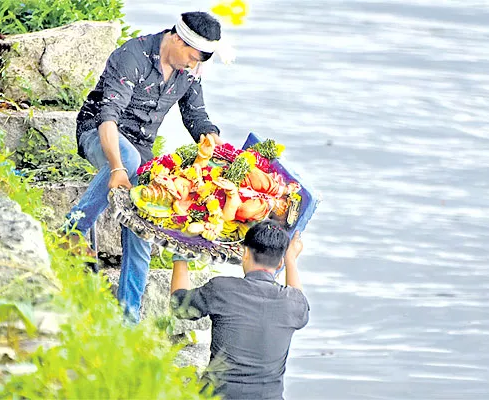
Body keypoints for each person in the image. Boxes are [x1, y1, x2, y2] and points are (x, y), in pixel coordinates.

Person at [64, 11, 226, 323]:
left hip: (140, 151)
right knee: (131, 159)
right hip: (98, 134)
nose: (193, 65)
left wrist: (215, 145)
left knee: (144, 226)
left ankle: (128, 319)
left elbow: (196, 116)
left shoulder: (190, 70)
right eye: (191, 57)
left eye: (199, 61)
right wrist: (116, 168)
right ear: (177, 39)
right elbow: (107, 115)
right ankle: (73, 230)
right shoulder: (132, 56)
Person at [170, 220, 309, 399]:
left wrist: (180, 254)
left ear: (245, 253)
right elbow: (297, 295)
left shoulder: (222, 289)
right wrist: (291, 260)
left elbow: (178, 305)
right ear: (280, 262)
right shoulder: (292, 303)